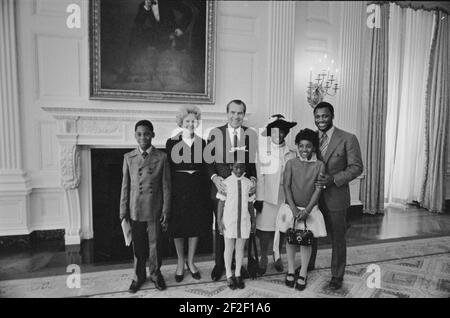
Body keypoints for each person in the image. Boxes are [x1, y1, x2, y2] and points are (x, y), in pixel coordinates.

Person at [310, 102, 363, 290]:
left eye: (324, 116)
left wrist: (333, 179)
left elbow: (357, 167)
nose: (321, 120)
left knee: (338, 238)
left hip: (336, 196)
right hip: (313, 197)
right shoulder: (311, 138)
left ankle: (337, 275)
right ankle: (309, 264)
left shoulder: (348, 138)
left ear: (332, 116)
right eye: (317, 116)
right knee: (310, 233)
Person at [206, 99, 258, 282]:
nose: (236, 116)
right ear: (227, 113)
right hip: (221, 190)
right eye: (233, 112)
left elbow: (251, 163)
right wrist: (214, 178)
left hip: (242, 191)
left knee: (241, 228)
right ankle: (220, 265)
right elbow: (208, 162)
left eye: (240, 113)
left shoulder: (249, 135)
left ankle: (237, 266)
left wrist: (253, 178)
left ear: (244, 114)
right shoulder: (215, 133)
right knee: (222, 228)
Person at [119, 120, 171, 293]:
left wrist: (166, 209)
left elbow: (166, 186)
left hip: (154, 207)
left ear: (153, 135)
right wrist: (123, 210)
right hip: (135, 208)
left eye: (146, 133)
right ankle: (138, 275)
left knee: (155, 244)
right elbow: (125, 186)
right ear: (135, 136)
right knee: (138, 245)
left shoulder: (161, 157)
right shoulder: (129, 157)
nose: (143, 137)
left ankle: (156, 274)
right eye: (139, 134)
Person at [165, 105, 211, 283]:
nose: (191, 124)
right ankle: (179, 262)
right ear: (181, 122)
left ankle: (191, 262)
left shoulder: (203, 143)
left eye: (193, 121)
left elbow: (206, 168)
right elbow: (168, 170)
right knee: (178, 228)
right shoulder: (172, 143)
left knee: (194, 225)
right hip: (178, 190)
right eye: (187, 121)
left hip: (197, 189)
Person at [282, 129, 327, 291]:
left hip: (309, 209)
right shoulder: (291, 163)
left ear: (314, 147)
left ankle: (303, 272)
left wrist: (307, 210)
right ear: (297, 146)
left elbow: (318, 189)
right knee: (291, 239)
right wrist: (294, 209)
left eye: (308, 146)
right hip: (292, 208)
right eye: (301, 146)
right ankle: (291, 269)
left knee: (305, 240)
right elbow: (286, 186)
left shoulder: (320, 165)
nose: (304, 150)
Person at [254, 114, 297, 275]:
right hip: (266, 196)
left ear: (285, 133)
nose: (278, 135)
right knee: (265, 229)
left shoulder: (292, 153)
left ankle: (277, 255)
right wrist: (259, 199)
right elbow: (260, 176)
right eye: (274, 131)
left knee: (282, 228)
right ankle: (263, 257)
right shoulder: (262, 151)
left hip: (284, 197)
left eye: (281, 131)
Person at [216, 159, 256, 290]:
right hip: (229, 221)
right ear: (231, 166)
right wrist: (219, 221)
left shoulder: (249, 183)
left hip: (244, 221)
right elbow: (221, 203)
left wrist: (253, 220)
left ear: (245, 167)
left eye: (242, 167)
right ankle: (228, 275)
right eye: (236, 167)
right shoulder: (226, 183)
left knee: (240, 248)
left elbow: (250, 204)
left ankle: (238, 274)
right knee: (229, 248)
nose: (239, 170)